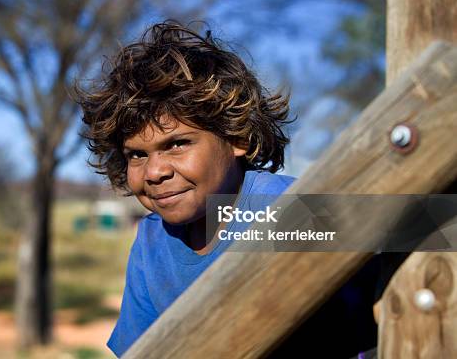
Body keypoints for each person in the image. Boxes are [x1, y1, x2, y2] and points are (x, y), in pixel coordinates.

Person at [76, 21, 382, 358]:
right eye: (137, 154)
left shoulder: (286, 210)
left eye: (177, 144)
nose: (155, 172)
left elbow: (436, 227)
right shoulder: (152, 241)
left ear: (237, 137)